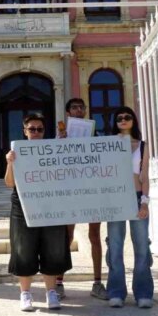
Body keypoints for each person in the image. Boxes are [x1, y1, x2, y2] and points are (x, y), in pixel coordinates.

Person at [5, 113, 72, 311]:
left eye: (39, 129)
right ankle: (25, 294)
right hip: (22, 206)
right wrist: (9, 162)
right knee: (23, 249)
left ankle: (51, 293)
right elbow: (9, 183)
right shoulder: (16, 152)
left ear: (44, 132)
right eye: (31, 129)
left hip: (50, 204)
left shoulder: (51, 151)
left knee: (52, 248)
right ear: (25, 132)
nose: (35, 132)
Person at [56, 98, 107, 301]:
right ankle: (59, 282)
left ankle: (97, 282)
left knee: (95, 235)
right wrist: (61, 140)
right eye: (75, 108)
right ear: (68, 113)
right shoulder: (61, 135)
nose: (79, 111)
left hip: (92, 190)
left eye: (82, 107)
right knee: (66, 237)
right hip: (71, 191)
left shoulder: (95, 134)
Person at [105, 106, 154, 308]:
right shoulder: (108, 145)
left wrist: (144, 202)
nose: (123, 120)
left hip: (135, 196)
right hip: (116, 197)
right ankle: (116, 291)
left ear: (133, 120)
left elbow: (144, 176)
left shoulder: (142, 146)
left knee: (142, 245)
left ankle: (143, 292)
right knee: (115, 246)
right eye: (119, 118)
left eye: (127, 117)